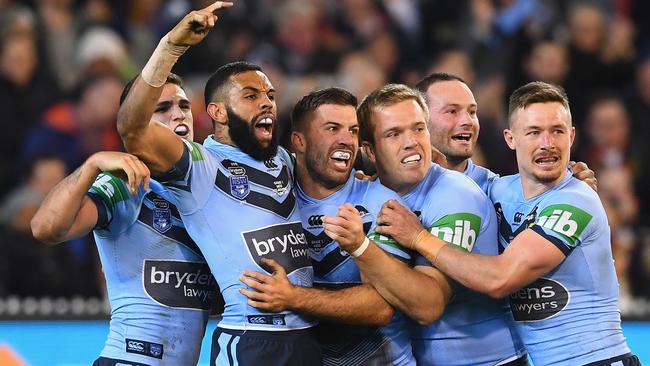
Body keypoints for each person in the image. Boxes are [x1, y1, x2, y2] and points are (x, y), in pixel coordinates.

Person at [376, 81, 638, 365]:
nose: (547, 144)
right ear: (510, 138)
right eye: (534, 132)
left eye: (557, 131)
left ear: (572, 136)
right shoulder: (498, 191)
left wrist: (419, 238)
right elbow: (455, 187)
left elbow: (500, 279)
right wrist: (377, 182)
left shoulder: (575, 201)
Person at [116, 3, 321, 365]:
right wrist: (170, 48)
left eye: (271, 96)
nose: (267, 104)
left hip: (307, 335)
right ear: (218, 113)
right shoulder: (200, 165)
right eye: (251, 96)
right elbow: (133, 130)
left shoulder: (285, 160)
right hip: (252, 338)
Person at [331, 84, 527, 366]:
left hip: (490, 361)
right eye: (394, 134)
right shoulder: (366, 193)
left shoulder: (456, 194)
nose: (411, 141)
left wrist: (360, 247)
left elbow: (427, 306)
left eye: (418, 128)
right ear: (369, 151)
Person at [30, 73, 218, 366]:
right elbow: (45, 228)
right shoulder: (127, 184)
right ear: (135, 123)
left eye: (183, 105)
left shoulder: (207, 189)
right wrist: (92, 165)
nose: (179, 114)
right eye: (162, 108)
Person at [238, 87, 418, 365]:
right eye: (333, 129)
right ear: (299, 141)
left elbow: (380, 307)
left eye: (353, 130)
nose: (347, 140)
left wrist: (292, 297)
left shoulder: (382, 203)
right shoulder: (275, 203)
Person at [414, 72, 597, 194]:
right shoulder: (392, 184)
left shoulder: (497, 192)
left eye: (472, 112)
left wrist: (568, 185)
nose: (467, 121)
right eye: (452, 111)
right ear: (420, 121)